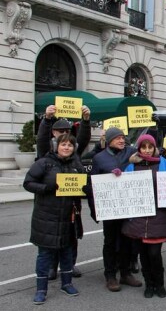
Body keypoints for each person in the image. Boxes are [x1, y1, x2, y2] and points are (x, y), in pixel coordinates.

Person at [24, 134, 85, 304]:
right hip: (46, 217)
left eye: (70, 145)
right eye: (63, 144)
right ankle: (41, 289)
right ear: (56, 146)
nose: (67, 147)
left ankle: (67, 284)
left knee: (67, 253)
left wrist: (85, 189)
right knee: (44, 255)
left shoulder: (76, 164)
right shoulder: (44, 163)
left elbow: (83, 185)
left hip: (68, 217)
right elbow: (28, 183)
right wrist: (46, 188)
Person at [36, 105, 91, 280]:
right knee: (51, 238)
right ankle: (52, 267)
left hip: (71, 204)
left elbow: (83, 138)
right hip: (50, 205)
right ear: (53, 133)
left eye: (67, 131)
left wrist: (86, 121)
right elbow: (41, 140)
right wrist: (46, 119)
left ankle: (70, 265)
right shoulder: (47, 152)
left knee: (71, 237)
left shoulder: (74, 152)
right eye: (60, 131)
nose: (64, 134)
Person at [86, 127, 142, 292]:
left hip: (128, 206)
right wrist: (94, 209)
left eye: (123, 138)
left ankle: (125, 274)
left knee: (127, 241)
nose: (121, 140)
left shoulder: (131, 152)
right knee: (110, 243)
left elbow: (150, 151)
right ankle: (110, 275)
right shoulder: (99, 158)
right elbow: (93, 184)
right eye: (117, 138)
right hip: (110, 208)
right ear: (109, 140)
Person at [121, 134, 166, 298]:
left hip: (158, 216)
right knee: (143, 254)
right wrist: (117, 177)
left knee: (154, 253)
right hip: (138, 217)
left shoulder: (163, 163)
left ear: (154, 148)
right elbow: (123, 189)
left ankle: (160, 284)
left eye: (150, 147)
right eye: (143, 147)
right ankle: (149, 284)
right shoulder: (131, 166)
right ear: (139, 148)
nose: (147, 150)